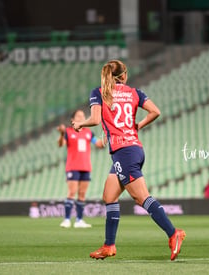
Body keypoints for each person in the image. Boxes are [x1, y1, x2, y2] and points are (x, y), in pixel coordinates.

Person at [72, 60, 186, 261]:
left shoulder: (99, 92)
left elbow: (96, 120)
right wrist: (138, 125)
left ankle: (173, 233)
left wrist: (80, 123)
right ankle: (109, 246)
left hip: (123, 153)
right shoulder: (135, 93)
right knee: (109, 195)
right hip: (133, 149)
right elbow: (155, 111)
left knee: (142, 197)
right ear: (124, 76)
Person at [57, 109, 104, 228]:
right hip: (72, 167)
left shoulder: (88, 133)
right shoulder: (68, 132)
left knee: (82, 194)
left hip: (86, 167)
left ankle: (79, 220)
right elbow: (61, 144)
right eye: (78, 116)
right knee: (72, 192)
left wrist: (108, 137)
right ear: (72, 120)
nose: (81, 117)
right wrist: (62, 134)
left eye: (83, 116)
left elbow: (99, 144)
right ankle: (67, 219)